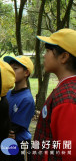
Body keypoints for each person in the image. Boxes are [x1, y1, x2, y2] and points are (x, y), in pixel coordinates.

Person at [32, 28, 76, 161]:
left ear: (63, 57)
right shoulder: (65, 87)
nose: (44, 55)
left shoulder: (68, 99)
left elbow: (70, 153)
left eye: (47, 51)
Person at [3, 55, 35, 160]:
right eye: (10, 68)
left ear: (26, 73)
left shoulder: (27, 99)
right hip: (8, 139)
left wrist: (5, 131)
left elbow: (15, 127)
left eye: (15, 68)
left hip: (20, 142)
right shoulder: (7, 94)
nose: (11, 71)